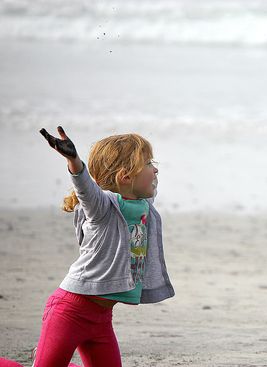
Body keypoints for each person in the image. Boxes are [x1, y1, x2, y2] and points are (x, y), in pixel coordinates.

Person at [0, 126, 175, 367]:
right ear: (125, 176)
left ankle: (43, 354)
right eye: (148, 163)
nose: (155, 169)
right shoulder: (103, 209)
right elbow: (87, 190)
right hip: (69, 313)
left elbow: (138, 187)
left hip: (101, 319)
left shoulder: (143, 205)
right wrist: (74, 160)